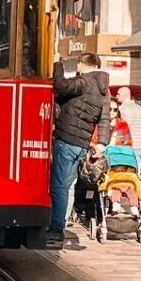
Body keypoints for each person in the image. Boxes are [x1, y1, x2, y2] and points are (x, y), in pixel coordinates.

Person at [50, 54, 112, 246]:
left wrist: (57, 63)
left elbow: (59, 86)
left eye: (77, 64)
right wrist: (102, 142)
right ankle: (61, 224)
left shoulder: (84, 82)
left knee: (59, 186)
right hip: (82, 144)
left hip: (67, 139)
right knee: (69, 186)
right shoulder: (104, 90)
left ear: (83, 65)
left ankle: (56, 228)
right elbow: (105, 118)